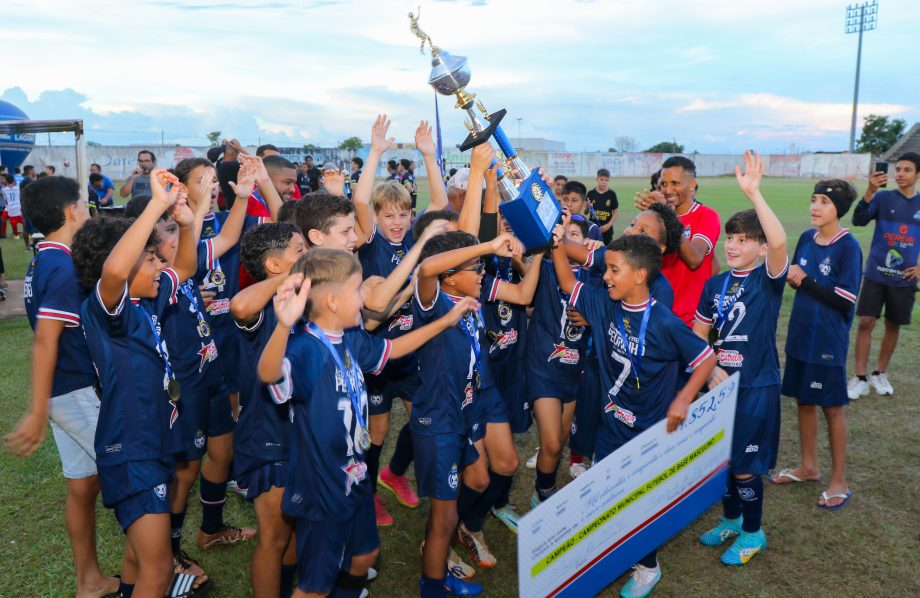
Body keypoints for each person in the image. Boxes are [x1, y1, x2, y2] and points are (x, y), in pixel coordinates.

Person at [257, 249, 477, 598]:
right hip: (322, 485)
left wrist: (444, 322)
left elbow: (394, 347)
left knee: (364, 554)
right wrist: (284, 325)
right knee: (315, 585)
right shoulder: (305, 349)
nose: (365, 298)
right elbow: (268, 373)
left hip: (354, 474)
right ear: (331, 301)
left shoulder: (350, 340)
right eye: (358, 289)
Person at [551, 230, 715, 598]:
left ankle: (648, 567)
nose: (605, 276)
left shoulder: (665, 322)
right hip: (612, 424)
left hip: (649, 432)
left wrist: (683, 398)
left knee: (643, 505)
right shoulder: (604, 303)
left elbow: (706, 359)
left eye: (613, 269)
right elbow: (565, 280)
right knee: (609, 495)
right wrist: (558, 244)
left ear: (639, 276)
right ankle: (615, 551)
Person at [72, 169, 200, 597]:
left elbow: (185, 264)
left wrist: (184, 220)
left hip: (154, 443)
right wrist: (155, 207)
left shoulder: (147, 302)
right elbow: (113, 272)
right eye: (150, 259)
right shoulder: (107, 310)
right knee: (159, 570)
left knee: (137, 558)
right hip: (131, 450)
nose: (160, 265)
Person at [5, 176, 120, 597]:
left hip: (64, 393)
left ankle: (89, 581)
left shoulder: (46, 257)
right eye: (85, 205)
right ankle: (158, 569)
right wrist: (37, 409)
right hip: (73, 392)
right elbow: (46, 340)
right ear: (71, 211)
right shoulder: (60, 265)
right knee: (133, 474)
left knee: (84, 483)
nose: (88, 211)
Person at [413, 230, 524, 597]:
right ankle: (433, 583)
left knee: (474, 484)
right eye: (474, 268)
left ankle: (440, 559)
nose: (481, 274)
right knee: (444, 515)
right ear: (450, 276)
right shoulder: (435, 302)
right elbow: (427, 267)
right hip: (439, 424)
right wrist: (489, 246)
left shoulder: (468, 303)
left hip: (461, 414)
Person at [692, 152, 787, 566]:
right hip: (721, 385)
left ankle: (753, 532)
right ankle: (731, 519)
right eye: (730, 238)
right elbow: (698, 333)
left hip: (755, 386)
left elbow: (781, 242)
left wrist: (754, 192)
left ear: (761, 248)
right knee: (722, 460)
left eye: (744, 240)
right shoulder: (715, 285)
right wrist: (710, 366)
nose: (733, 245)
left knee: (746, 466)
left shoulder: (768, 279)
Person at [772, 180, 862, 512]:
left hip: (827, 340)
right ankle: (809, 467)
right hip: (801, 334)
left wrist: (805, 280)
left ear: (838, 208)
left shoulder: (848, 247)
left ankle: (839, 480)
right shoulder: (807, 238)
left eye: (823, 201)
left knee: (832, 407)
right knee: (804, 400)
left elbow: (844, 300)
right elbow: (796, 279)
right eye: (813, 200)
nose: (815, 207)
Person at [231, 222, 306, 597]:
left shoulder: (302, 298)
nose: (307, 256)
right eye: (299, 250)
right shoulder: (264, 304)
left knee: (292, 528)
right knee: (273, 537)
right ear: (276, 266)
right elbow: (239, 305)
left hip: (299, 433)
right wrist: (292, 277)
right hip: (267, 436)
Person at [848, 152, 920, 399]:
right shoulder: (882, 197)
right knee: (866, 322)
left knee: (892, 324)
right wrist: (869, 190)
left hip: (904, 279)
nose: (900, 173)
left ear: (917, 175)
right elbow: (858, 220)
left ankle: (880, 372)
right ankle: (859, 378)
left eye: (907, 170)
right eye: (898, 169)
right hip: (876, 274)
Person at [637, 156, 720, 326]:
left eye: (675, 183)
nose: (668, 190)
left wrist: (667, 217)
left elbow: (695, 259)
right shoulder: (655, 217)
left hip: (690, 320)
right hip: (655, 314)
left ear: (691, 184)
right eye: (663, 184)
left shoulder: (706, 216)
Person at [587, 168, 619, 244]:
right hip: (593, 228)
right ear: (597, 179)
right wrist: (588, 207)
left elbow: (616, 213)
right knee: (593, 249)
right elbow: (586, 212)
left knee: (607, 250)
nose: (604, 182)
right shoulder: (591, 193)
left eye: (606, 180)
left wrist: (608, 226)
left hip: (607, 230)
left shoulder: (612, 194)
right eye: (601, 179)